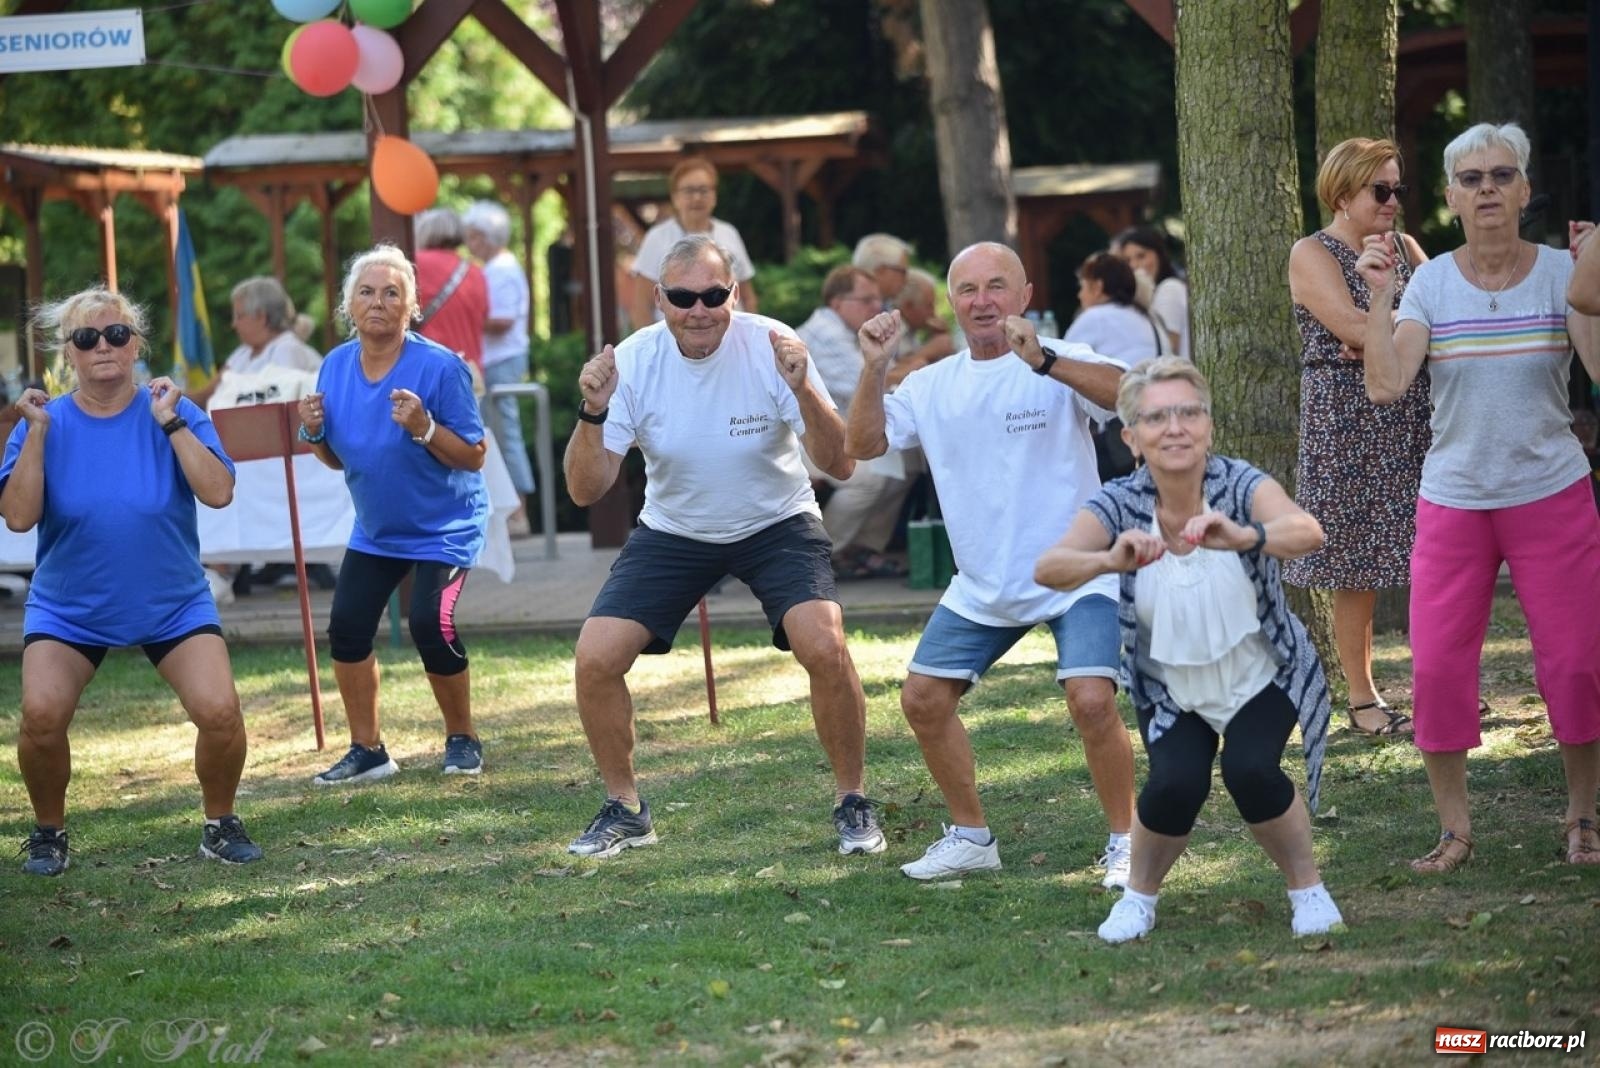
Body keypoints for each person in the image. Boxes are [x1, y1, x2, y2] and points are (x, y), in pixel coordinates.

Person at [564, 234, 879, 859]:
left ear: (734, 293)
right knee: (595, 658)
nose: (700, 310)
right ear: (659, 299)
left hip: (777, 522)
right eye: (683, 298)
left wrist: (804, 390)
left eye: (714, 295)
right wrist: (592, 412)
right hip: (674, 530)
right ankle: (625, 808)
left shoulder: (773, 343)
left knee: (825, 644)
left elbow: (840, 464)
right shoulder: (634, 360)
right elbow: (585, 490)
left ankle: (852, 798)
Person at [846, 242, 1137, 884]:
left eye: (997, 286)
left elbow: (1132, 398)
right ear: (950, 302)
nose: (983, 302)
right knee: (923, 700)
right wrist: (874, 367)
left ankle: (1128, 839)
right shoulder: (931, 384)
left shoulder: (1058, 356)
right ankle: (972, 837)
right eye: (968, 289)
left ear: (1025, 295)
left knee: (1092, 699)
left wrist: (1046, 361)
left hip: (1077, 572)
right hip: (983, 584)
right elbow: (862, 444)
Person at [1359, 122, 1600, 871]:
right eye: (1472, 179)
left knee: (1577, 664)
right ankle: (1455, 832)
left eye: (1501, 175)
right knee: (1435, 669)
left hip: (1550, 491)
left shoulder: (1563, 272)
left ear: (1525, 190)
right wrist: (1378, 296)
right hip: (1455, 499)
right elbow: (1386, 383)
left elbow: (1597, 368)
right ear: (1451, 197)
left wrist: (1593, 284)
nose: (1487, 188)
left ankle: (1583, 818)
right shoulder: (1430, 282)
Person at [1035, 357, 1341, 943]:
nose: (1175, 428)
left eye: (1188, 413)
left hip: (1262, 670)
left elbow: (1307, 532)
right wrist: (1107, 559)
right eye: (1156, 418)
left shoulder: (1241, 484)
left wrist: (1246, 535)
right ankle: (1138, 899)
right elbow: (1050, 567)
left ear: (1208, 426)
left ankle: (1308, 889)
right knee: (1175, 783)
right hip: (1171, 681)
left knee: (1251, 771)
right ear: (1131, 438)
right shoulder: (1119, 501)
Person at [1, 287, 262, 875]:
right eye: (87, 337)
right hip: (70, 608)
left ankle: (220, 823)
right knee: (40, 717)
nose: (103, 346)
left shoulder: (172, 408)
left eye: (116, 334)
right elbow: (17, 517)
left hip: (173, 604)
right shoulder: (43, 420)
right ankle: (48, 831)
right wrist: (35, 433)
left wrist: (171, 423)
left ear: (136, 344)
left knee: (221, 712)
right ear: (68, 351)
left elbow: (219, 492)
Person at [298, 246, 491, 785]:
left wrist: (425, 428)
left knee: (429, 623)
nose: (377, 302)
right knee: (347, 628)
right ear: (348, 306)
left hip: (445, 526)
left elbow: (474, 456)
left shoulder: (441, 367)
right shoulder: (335, 366)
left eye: (391, 293)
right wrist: (313, 432)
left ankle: (463, 737)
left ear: (411, 307)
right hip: (378, 530)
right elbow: (340, 458)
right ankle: (368, 750)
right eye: (366, 292)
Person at [1285, 138, 1432, 737]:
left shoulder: (1408, 248)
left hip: (1411, 410)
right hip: (1344, 420)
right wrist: (1390, 329)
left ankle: (1439, 689)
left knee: (1435, 552)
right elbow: (1349, 327)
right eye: (1381, 189)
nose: (1393, 200)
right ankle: (1364, 700)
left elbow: (1445, 315)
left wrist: (1382, 333)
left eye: (1399, 188)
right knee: (1355, 566)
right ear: (1343, 194)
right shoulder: (1311, 252)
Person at [796, 265, 903, 578]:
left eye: (879, 300)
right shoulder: (826, 333)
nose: (877, 307)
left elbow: (886, 376)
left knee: (902, 467)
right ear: (837, 303)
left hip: (831, 432)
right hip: (797, 438)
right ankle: (818, 556)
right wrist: (924, 359)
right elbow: (874, 382)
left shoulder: (847, 329)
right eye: (867, 300)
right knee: (869, 478)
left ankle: (862, 549)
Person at [462, 200, 536, 532]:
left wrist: (468, 318)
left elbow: (503, 320)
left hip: (501, 359)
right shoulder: (498, 268)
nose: (469, 243)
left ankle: (518, 511)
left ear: (486, 237)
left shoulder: (501, 270)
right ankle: (514, 510)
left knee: (506, 434)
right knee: (501, 432)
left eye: (474, 236)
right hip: (498, 358)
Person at [1067, 252, 1165, 482]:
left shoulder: (1095, 318)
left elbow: (1062, 365)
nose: (1079, 295)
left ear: (1097, 287)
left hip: (1123, 435)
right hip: (1159, 423)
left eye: (1083, 287)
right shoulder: (1149, 318)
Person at [628, 156, 759, 328]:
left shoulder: (729, 233)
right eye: (689, 191)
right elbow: (641, 305)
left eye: (704, 190)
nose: (697, 197)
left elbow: (748, 297)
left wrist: (750, 335)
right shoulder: (657, 238)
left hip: (730, 337)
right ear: (675, 197)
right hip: (676, 339)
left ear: (714, 196)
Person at [192, 276, 323, 409]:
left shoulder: (288, 349)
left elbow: (280, 406)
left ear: (261, 317)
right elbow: (205, 396)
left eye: (239, 316)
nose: (234, 324)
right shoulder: (242, 353)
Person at [414, 207, 489, 375]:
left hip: (430, 365)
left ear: (424, 231)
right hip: (468, 368)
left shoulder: (414, 263)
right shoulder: (475, 271)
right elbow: (483, 318)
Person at [1113, 226, 1189, 358]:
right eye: (1127, 260)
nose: (1134, 265)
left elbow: (1168, 349)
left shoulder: (1168, 289)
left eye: (1141, 256)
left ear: (1158, 255)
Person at [887, 267, 955, 385]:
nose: (933, 312)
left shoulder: (912, 331)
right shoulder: (889, 330)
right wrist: (930, 350)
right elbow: (886, 377)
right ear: (908, 307)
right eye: (929, 306)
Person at [853, 233, 913, 304]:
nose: (906, 280)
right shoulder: (854, 308)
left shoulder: (884, 305)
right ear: (881, 270)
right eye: (903, 272)